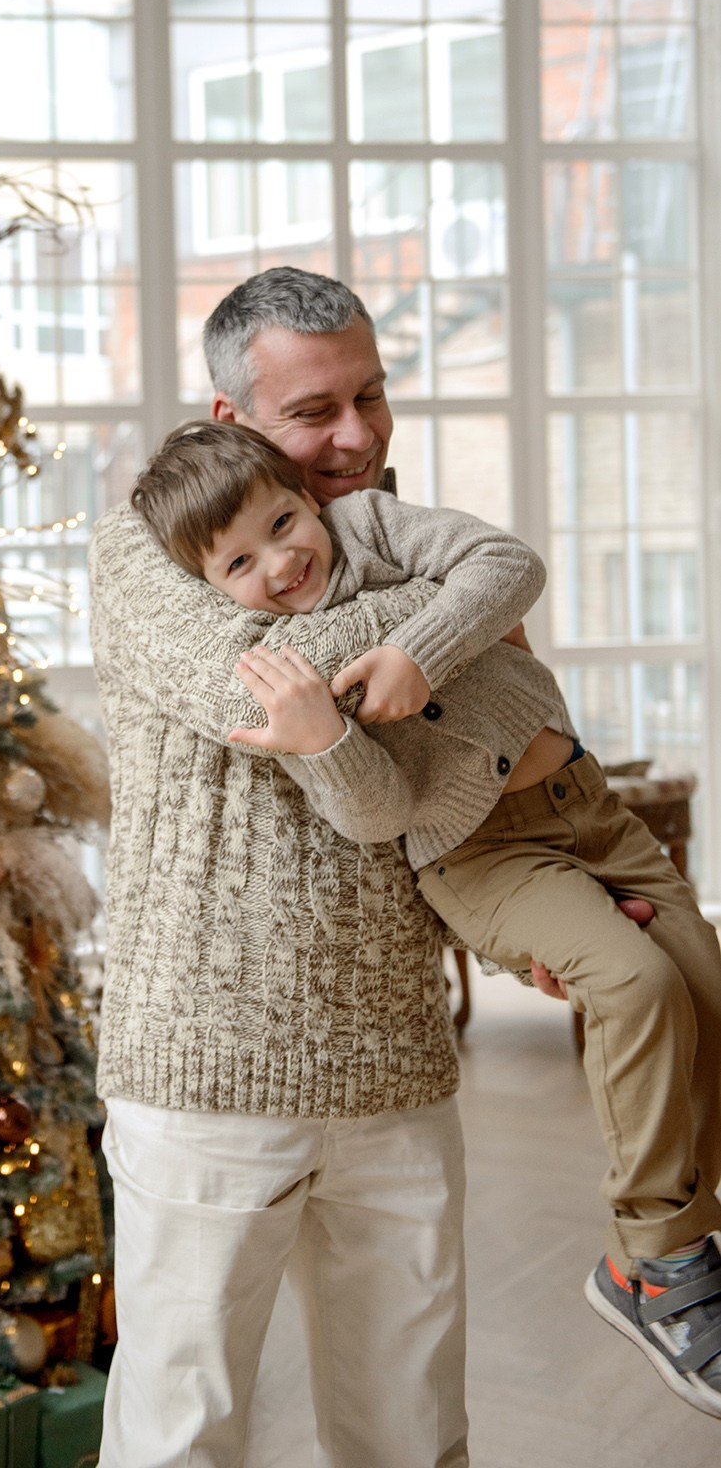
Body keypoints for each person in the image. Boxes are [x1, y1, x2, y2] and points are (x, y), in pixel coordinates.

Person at [131, 415, 721, 1422]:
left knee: (704, 990)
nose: (281, 563)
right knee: (636, 984)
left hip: (589, 809)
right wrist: (321, 742)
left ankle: (695, 1233)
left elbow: (506, 563)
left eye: (282, 522)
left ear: (307, 496)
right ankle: (653, 1265)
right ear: (208, 584)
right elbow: (378, 816)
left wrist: (419, 643)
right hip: (477, 855)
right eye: (239, 562)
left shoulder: (370, 524)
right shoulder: (277, 664)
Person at [90, 269, 485, 1468]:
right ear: (230, 421)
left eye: (370, 395)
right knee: (183, 1434)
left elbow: (468, 760)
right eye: (314, 412)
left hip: (396, 1060)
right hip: (207, 1070)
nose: (356, 434)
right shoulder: (141, 546)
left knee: (413, 1433)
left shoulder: (396, 545)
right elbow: (247, 682)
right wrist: (438, 612)